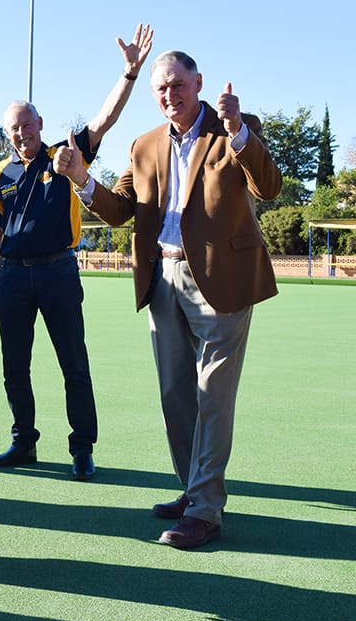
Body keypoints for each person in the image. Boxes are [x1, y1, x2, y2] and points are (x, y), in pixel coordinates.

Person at [59, 50, 282, 548]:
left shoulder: (234, 128)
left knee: (212, 396)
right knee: (175, 396)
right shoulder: (144, 145)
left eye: (178, 84)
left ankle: (205, 508)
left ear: (198, 82)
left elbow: (269, 187)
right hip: (163, 276)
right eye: (161, 88)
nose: (169, 95)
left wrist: (239, 130)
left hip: (223, 280)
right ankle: (192, 489)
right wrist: (81, 179)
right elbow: (119, 211)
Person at [0, 24, 154, 480]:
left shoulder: (68, 153)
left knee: (73, 363)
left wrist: (130, 74)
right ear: (7, 134)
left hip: (59, 272)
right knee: (14, 366)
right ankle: (24, 442)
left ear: (41, 124)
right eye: (12, 129)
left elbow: (106, 118)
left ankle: (83, 448)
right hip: (14, 277)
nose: (21, 134)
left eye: (27, 125)